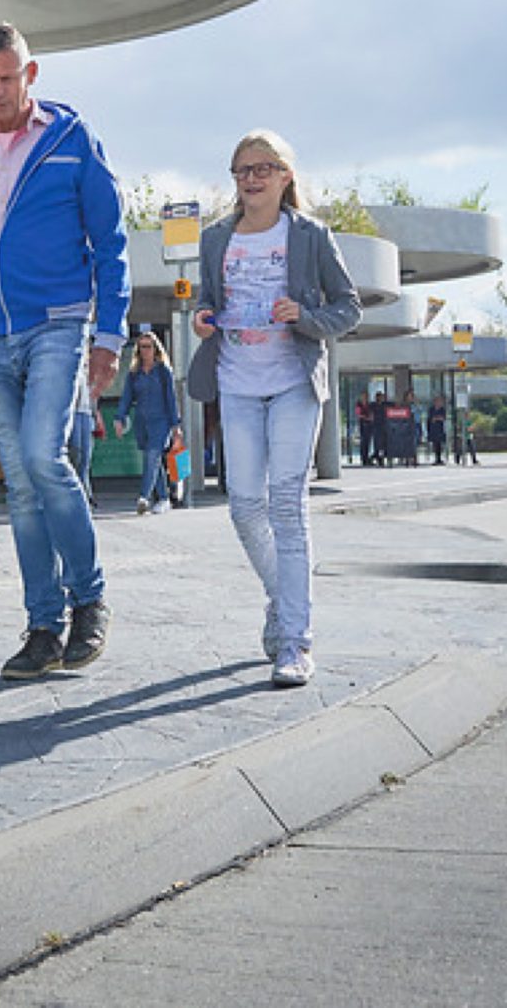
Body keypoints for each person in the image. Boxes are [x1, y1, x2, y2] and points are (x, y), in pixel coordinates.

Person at [0, 23, 130, 681]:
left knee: (43, 456)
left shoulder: (71, 141)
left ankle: (88, 600)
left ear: (29, 75)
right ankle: (43, 625)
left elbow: (111, 242)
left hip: (59, 322)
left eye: (8, 78)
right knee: (18, 485)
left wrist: (109, 335)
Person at [188, 129, 361, 688]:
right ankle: (282, 598)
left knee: (286, 506)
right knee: (243, 507)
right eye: (243, 169)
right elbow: (211, 300)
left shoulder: (310, 236)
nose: (253, 177)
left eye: (265, 167)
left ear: (286, 176)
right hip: (236, 383)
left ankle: (295, 641)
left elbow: (349, 308)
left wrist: (304, 317)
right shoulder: (215, 239)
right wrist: (203, 318)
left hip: (292, 383)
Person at [114, 330, 182, 515]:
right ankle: (164, 498)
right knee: (154, 460)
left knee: (152, 456)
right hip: (142, 421)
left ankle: (144, 497)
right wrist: (119, 418)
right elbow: (127, 396)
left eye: (148, 347)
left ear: (156, 349)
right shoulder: (135, 373)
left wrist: (176, 426)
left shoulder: (163, 371)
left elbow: (171, 398)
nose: (145, 351)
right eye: (141, 347)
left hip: (161, 421)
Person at [67, 346, 98, 508]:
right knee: (75, 452)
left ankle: (87, 495)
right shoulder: (70, 366)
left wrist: (96, 415)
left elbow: (93, 396)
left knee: (86, 456)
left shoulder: (89, 372)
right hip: (73, 413)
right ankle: (78, 494)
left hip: (86, 413)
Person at [355, 390, 374, 466]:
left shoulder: (369, 404)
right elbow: (358, 414)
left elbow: (372, 412)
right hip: (363, 424)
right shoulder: (359, 404)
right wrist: (366, 418)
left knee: (368, 441)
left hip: (369, 424)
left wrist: (371, 417)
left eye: (366, 396)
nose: (365, 397)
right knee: (363, 441)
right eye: (364, 396)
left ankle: (367, 457)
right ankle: (363, 458)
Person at [427, 394, 447, 464]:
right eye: (437, 401)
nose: (438, 402)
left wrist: (437, 418)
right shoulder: (431, 409)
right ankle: (436, 458)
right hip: (433, 429)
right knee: (434, 444)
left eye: (440, 401)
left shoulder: (442, 410)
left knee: (439, 444)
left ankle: (439, 458)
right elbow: (430, 418)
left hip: (440, 429)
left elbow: (443, 418)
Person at [371, 390, 388, 466]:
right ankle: (377, 457)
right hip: (376, 426)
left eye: (382, 397)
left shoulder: (385, 405)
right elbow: (371, 415)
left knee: (383, 443)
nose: (381, 398)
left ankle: (382, 457)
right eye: (379, 397)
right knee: (377, 443)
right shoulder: (373, 406)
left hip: (384, 426)